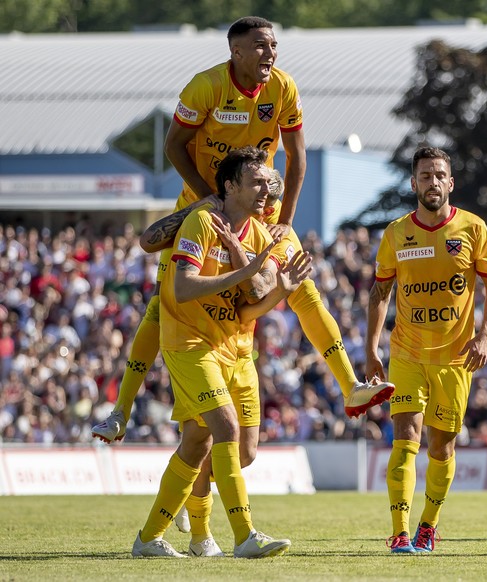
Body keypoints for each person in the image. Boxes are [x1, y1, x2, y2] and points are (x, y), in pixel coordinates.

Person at [92, 15, 392, 445]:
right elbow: (173, 145)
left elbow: (297, 157)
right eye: (259, 46)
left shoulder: (283, 88)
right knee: (162, 307)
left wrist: (285, 219)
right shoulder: (206, 86)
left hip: (259, 211)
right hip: (203, 207)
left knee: (302, 288)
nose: (269, 53)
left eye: (273, 45)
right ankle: (121, 410)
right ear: (235, 51)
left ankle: (350, 386)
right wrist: (206, 197)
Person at [132, 146, 306, 558]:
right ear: (229, 186)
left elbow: (255, 298)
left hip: (231, 347)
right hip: (188, 344)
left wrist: (280, 289)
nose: (266, 190)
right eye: (256, 182)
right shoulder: (201, 222)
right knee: (225, 429)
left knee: (209, 446)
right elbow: (183, 287)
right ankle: (244, 536)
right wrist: (244, 271)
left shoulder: (260, 233)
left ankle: (149, 539)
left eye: (268, 182)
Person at [366, 147, 487, 553]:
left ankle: (429, 525)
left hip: (455, 358)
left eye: (439, 175)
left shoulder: (473, 229)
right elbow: (379, 292)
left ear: (451, 182)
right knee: (405, 438)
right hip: (407, 353)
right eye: (425, 176)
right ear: (413, 183)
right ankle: (399, 533)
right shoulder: (395, 234)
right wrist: (372, 348)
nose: (432, 182)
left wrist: (486, 334)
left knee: (442, 446)